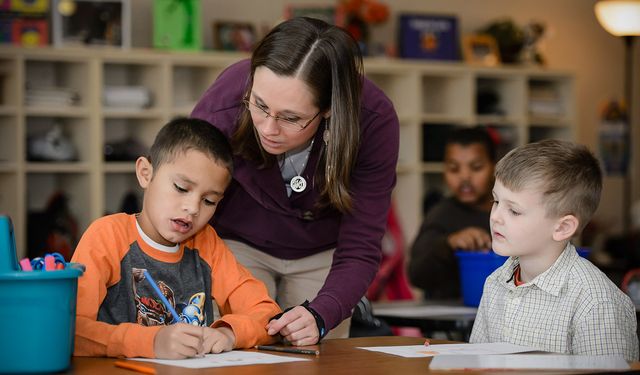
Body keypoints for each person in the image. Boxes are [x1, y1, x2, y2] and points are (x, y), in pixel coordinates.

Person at [191, 17, 399, 345]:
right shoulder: (225, 101)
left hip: (324, 254)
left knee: (319, 357)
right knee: (236, 348)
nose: (268, 128)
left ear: (330, 109)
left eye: (291, 118)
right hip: (235, 244)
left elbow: (361, 244)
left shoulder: (373, 120)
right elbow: (187, 195)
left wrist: (322, 313)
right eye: (259, 105)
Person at [71, 117, 281, 359]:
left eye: (209, 201)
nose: (193, 208)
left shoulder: (205, 243)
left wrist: (229, 334)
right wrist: (151, 342)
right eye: (181, 188)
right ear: (145, 174)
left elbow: (266, 314)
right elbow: (71, 330)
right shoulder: (108, 237)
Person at [470, 139, 638, 361]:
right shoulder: (495, 283)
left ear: (562, 228)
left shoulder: (596, 302)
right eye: (496, 201)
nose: (496, 217)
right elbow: (475, 363)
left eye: (514, 211)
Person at [408, 127, 496, 299]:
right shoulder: (441, 214)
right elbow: (416, 274)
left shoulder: (510, 211)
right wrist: (448, 244)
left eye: (476, 167)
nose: (464, 177)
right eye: (454, 169)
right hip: (450, 321)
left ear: (494, 167)